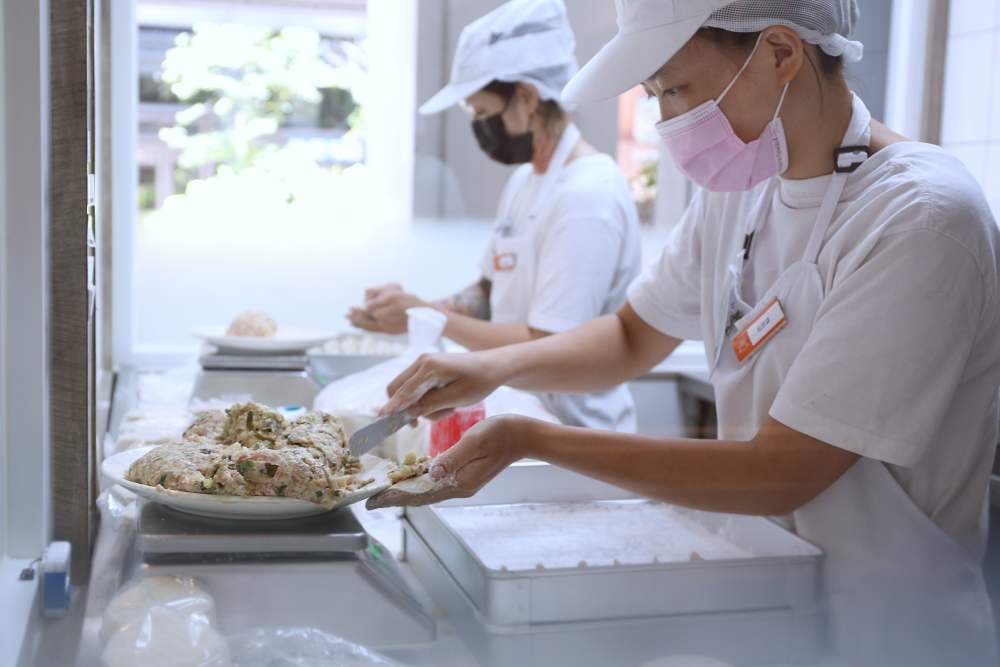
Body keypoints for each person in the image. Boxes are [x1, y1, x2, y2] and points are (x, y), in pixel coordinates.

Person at [368, 1, 1000, 666]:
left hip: (889, 633)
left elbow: (784, 471)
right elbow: (628, 338)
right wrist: (491, 368)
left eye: (676, 88)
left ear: (782, 52)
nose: (668, 122)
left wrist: (536, 438)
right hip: (766, 601)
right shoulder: (742, 190)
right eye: (655, 96)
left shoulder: (922, 219)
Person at [347, 0, 641, 433]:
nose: (480, 128)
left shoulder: (587, 198)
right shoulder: (528, 181)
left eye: (483, 113)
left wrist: (429, 316)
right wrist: (414, 310)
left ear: (525, 96)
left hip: (574, 433)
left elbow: (548, 344)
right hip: (521, 413)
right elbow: (489, 292)